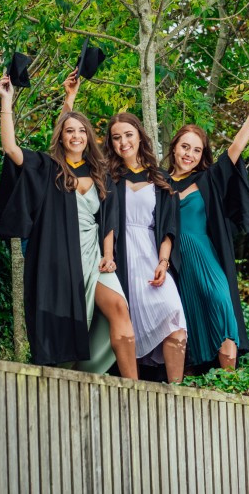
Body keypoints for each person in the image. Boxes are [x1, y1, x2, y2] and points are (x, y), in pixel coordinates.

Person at [0, 74, 138, 379]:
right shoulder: (49, 169)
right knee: (69, 330)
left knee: (120, 310)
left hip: (94, 257)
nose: (76, 136)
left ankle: (134, 387)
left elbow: (108, 218)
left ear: (89, 137)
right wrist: (6, 101)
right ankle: (62, 384)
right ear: (61, 136)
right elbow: (11, 148)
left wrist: (108, 255)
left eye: (82, 131)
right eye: (70, 131)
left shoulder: (100, 173)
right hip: (59, 258)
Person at [166, 86, 249, 370]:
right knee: (185, 321)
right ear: (174, 147)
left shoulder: (207, 180)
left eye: (196, 149)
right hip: (175, 263)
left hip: (205, 255)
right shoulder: (159, 183)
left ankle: (230, 384)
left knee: (222, 305)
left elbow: (236, 149)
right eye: (185, 147)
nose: (189, 154)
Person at [103, 112, 188, 383]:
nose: (123, 142)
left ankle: (177, 391)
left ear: (140, 135)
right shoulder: (108, 179)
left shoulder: (162, 180)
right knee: (127, 329)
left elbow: (168, 229)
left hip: (151, 258)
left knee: (175, 322)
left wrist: (163, 263)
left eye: (128, 134)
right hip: (122, 259)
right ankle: (133, 389)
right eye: (117, 137)